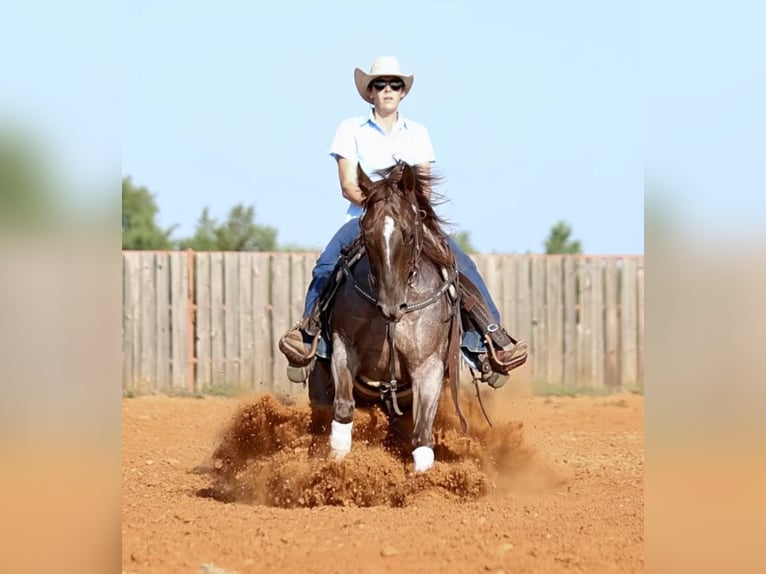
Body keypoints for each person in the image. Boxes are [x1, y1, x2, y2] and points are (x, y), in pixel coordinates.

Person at [279, 56, 528, 386]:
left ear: (403, 93)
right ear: (369, 92)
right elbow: (348, 185)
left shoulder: (418, 133)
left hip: (412, 221)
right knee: (326, 265)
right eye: (379, 84)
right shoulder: (349, 129)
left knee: (462, 264)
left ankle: (489, 342)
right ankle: (308, 337)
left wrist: (405, 210)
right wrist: (383, 205)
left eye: (394, 84)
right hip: (366, 218)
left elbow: (422, 183)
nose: (387, 90)